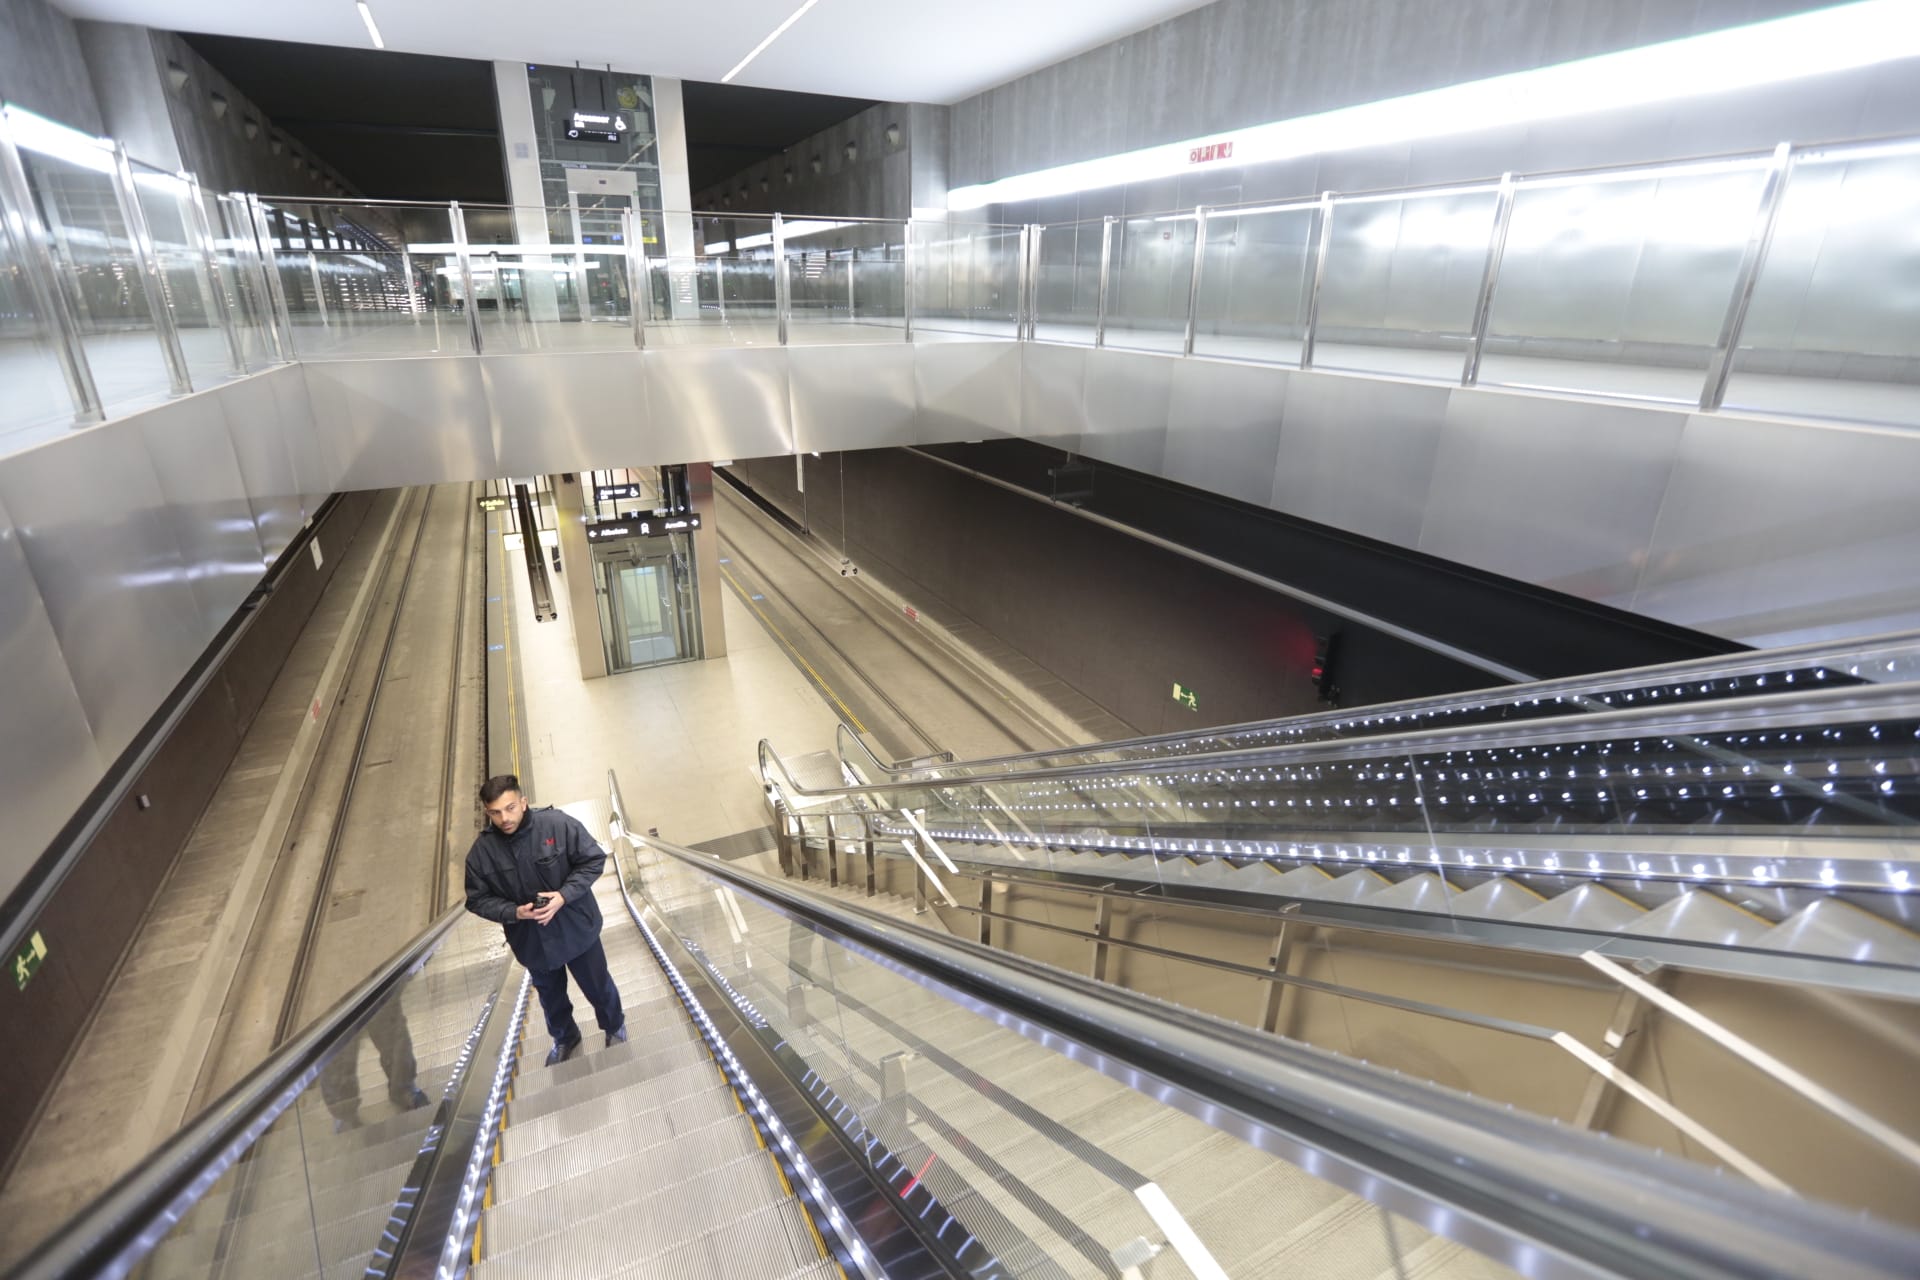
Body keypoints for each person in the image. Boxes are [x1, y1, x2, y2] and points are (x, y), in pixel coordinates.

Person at [463, 775, 626, 1065]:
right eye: (495, 813)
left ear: (523, 802)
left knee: (597, 985)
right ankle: (565, 1037)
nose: (504, 818)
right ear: (487, 813)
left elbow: (592, 860)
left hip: (577, 929)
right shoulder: (481, 854)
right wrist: (514, 912)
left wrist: (563, 895)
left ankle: (614, 1026)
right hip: (532, 940)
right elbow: (477, 899)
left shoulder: (557, 825)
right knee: (551, 998)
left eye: (510, 808)